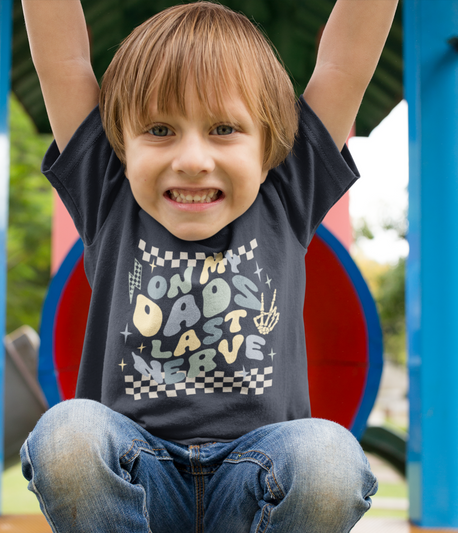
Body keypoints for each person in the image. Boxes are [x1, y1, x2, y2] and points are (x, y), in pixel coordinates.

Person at [20, 1, 398, 532]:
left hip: (257, 480)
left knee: (328, 454)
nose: (192, 159)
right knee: (67, 433)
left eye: (223, 129)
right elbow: (62, 63)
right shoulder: (107, 195)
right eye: (158, 130)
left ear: (269, 147)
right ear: (120, 147)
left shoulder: (287, 195)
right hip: (138, 476)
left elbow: (343, 66)